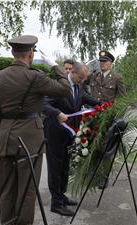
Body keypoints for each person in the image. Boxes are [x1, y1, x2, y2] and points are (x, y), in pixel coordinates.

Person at [0, 35, 71, 225]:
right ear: (31, 53)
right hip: (30, 138)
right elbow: (65, 90)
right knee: (27, 186)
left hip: (7, 136)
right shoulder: (35, 77)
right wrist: (56, 66)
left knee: (6, 187)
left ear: (13, 53)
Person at [43, 63, 102, 217]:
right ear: (72, 73)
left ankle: (61, 196)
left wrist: (102, 105)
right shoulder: (58, 86)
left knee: (65, 167)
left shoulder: (79, 86)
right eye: (80, 78)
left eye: (84, 79)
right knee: (55, 169)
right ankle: (56, 203)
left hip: (70, 135)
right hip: (55, 134)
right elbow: (43, 105)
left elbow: (87, 99)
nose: (82, 81)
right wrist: (57, 113)